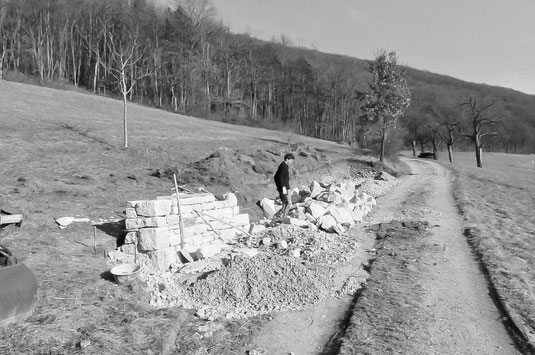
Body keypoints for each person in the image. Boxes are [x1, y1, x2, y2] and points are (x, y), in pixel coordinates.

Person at [273, 153, 295, 218]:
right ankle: (282, 214)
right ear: (287, 159)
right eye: (291, 161)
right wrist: (283, 187)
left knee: (288, 199)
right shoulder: (283, 166)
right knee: (285, 201)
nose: (291, 162)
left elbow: (276, 176)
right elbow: (280, 177)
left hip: (286, 185)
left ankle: (287, 210)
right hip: (284, 186)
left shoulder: (285, 165)